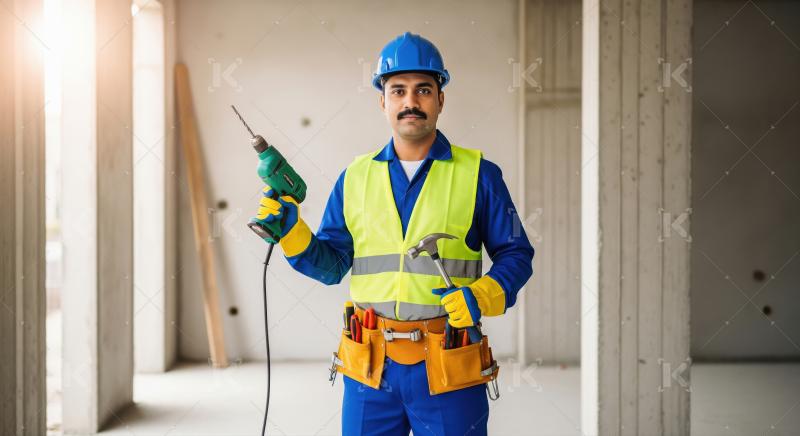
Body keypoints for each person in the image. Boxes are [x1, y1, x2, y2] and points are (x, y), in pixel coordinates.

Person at [252, 31, 534, 436]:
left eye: (423, 89)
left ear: (440, 99)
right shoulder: (354, 178)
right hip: (371, 368)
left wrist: (483, 295)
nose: (410, 102)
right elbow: (332, 266)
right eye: (398, 90)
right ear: (382, 101)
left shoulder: (479, 175)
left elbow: (516, 254)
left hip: (449, 362)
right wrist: (291, 232)